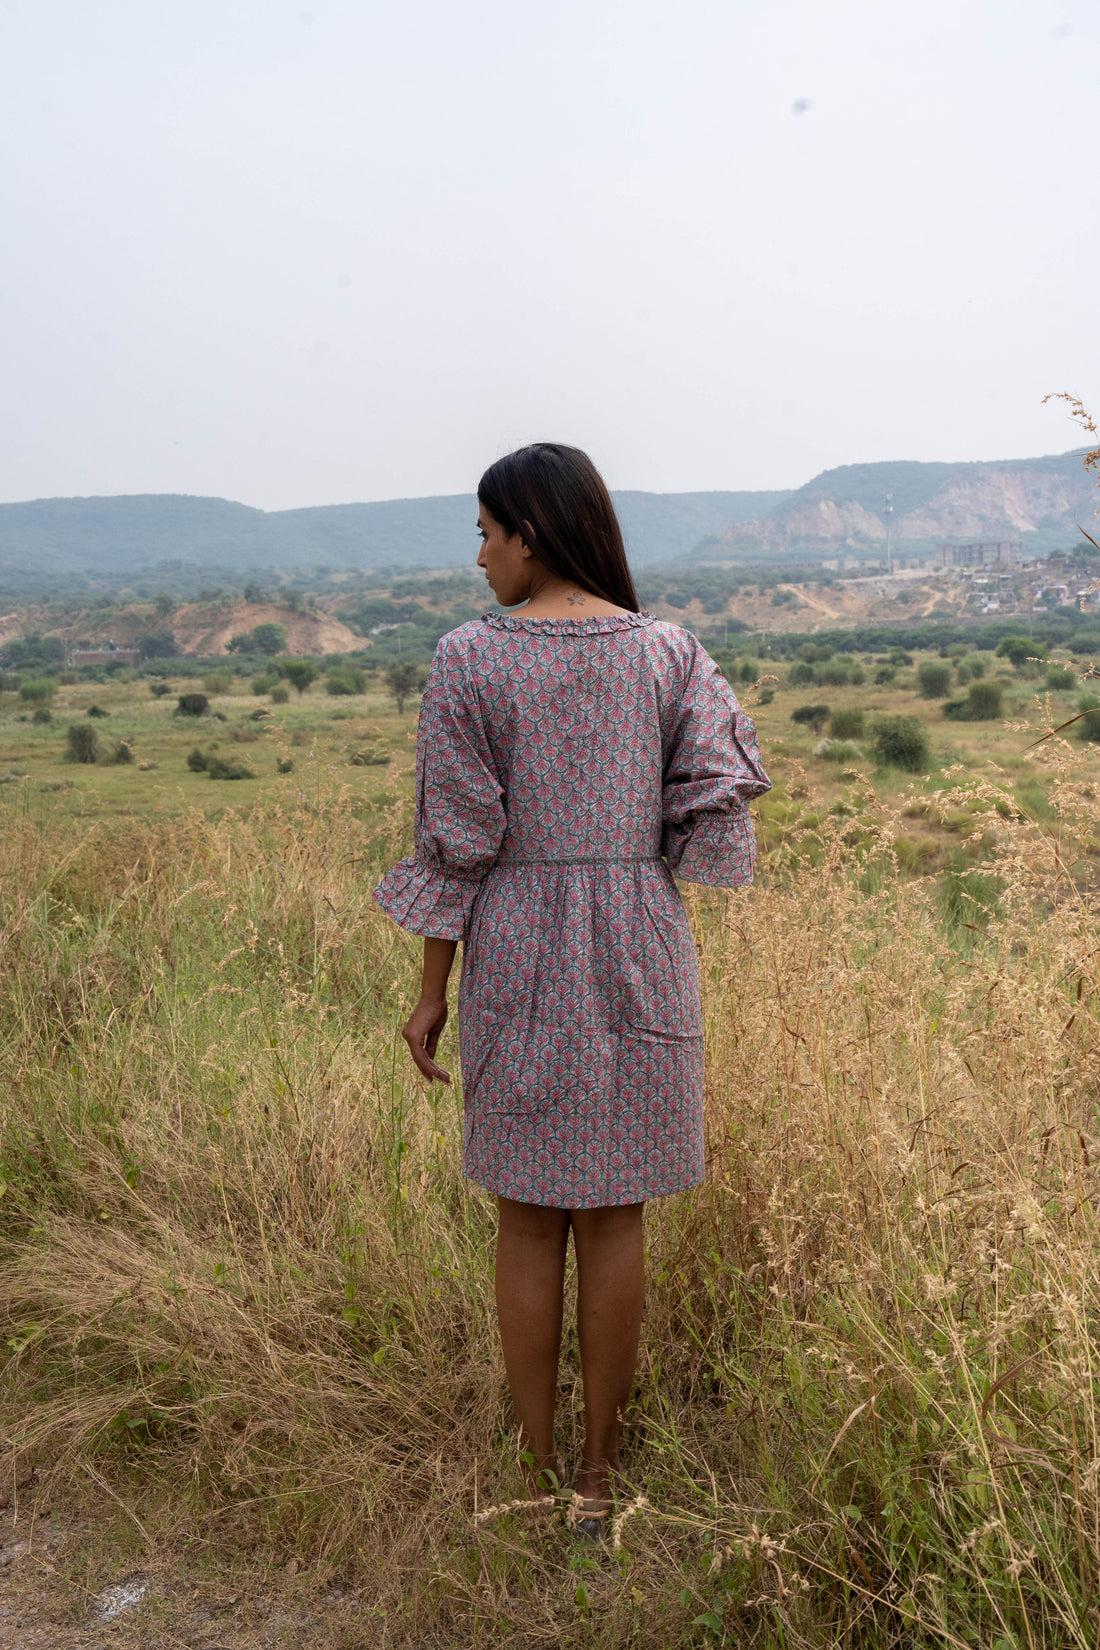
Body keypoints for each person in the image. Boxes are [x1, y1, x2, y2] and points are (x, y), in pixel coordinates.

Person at [374, 443, 770, 1536]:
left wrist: (430, 991)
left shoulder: (469, 657)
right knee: (612, 1216)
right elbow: (713, 793)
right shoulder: (670, 651)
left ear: (530, 532)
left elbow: (456, 841)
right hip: (641, 938)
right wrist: (635, 865)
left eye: (485, 533)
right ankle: (599, 1477)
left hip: (516, 942)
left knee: (524, 1216)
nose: (480, 557)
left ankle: (535, 1471)